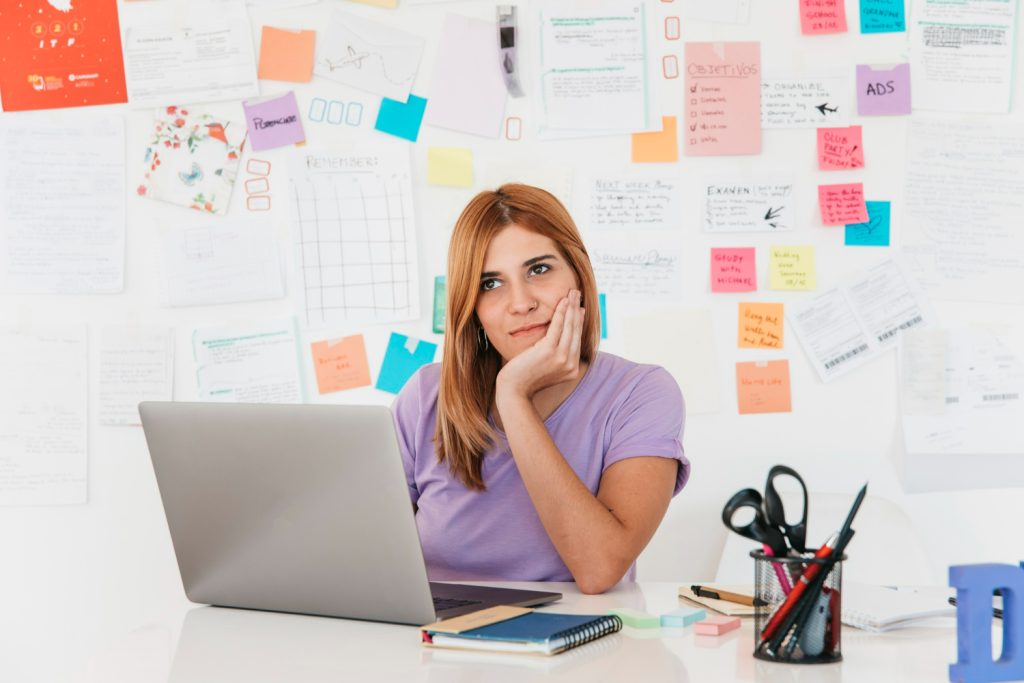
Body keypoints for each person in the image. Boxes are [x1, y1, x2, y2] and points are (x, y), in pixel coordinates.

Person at [392, 184, 689, 594]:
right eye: (490, 284)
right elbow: (371, 555)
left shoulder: (641, 394)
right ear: (472, 308)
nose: (521, 303)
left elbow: (600, 568)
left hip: (576, 633)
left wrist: (514, 396)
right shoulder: (425, 396)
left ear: (578, 274)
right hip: (437, 630)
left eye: (539, 270)